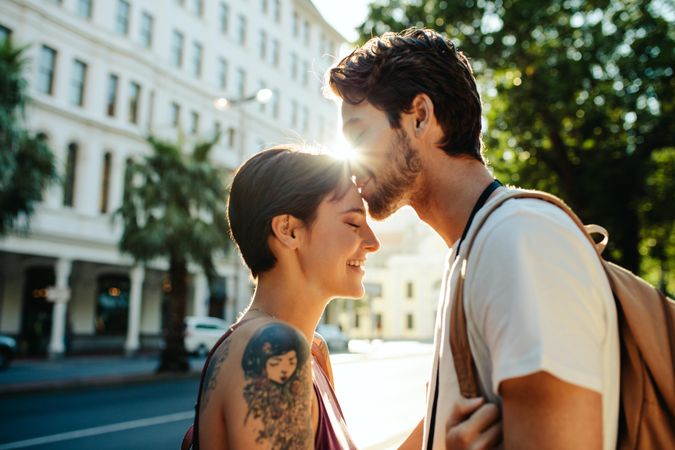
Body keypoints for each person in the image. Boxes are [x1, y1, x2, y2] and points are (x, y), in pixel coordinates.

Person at [328, 28, 620, 450]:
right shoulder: (474, 250)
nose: (348, 163)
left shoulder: (519, 240)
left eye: (357, 135)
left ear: (420, 116)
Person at [195, 146, 502, 449]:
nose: (373, 242)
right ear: (288, 231)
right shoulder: (272, 349)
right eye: (354, 223)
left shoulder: (311, 351)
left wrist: (435, 427)